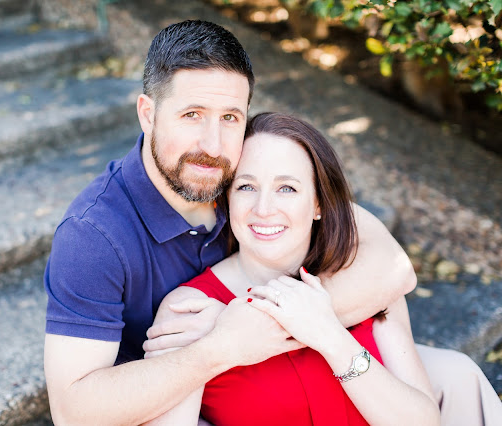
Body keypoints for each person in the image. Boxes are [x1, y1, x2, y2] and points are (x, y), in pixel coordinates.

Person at [42, 20, 495, 425]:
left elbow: (393, 268)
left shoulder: (240, 167)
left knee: (456, 377)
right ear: (148, 113)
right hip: (169, 384)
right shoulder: (94, 236)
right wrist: (219, 346)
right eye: (191, 114)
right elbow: (74, 411)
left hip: (300, 350)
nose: (212, 143)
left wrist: (281, 322)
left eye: (230, 118)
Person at [146, 112, 441, 425]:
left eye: (286, 188)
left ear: (318, 204)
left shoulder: (365, 279)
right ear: (226, 198)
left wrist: (331, 337)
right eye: (246, 187)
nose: (264, 209)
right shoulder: (189, 312)